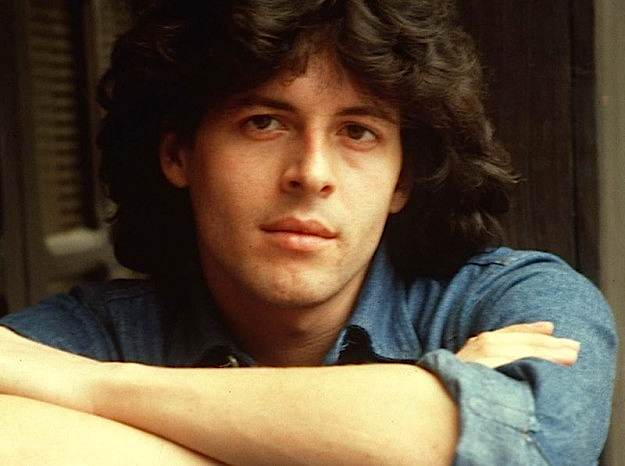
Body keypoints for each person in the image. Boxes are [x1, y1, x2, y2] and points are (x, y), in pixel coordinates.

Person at [0, 1, 617, 464]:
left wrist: (91, 388)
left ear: (402, 180)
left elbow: (517, 447)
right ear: (179, 154)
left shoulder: (518, 304)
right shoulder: (95, 330)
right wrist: (401, 418)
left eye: (358, 132)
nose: (312, 173)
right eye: (263, 122)